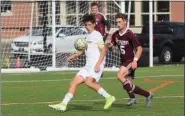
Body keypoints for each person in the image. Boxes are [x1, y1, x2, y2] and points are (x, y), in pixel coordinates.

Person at [48, 14, 115, 112]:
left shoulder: (97, 35)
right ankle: (63, 104)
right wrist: (74, 56)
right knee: (73, 82)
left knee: (88, 82)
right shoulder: (87, 36)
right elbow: (83, 50)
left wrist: (98, 64)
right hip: (88, 65)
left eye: (89, 24)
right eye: (86, 25)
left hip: (96, 64)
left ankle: (109, 97)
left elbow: (103, 50)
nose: (88, 26)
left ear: (93, 24)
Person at [106, 13, 154, 108]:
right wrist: (110, 46)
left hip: (130, 61)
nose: (118, 24)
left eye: (120, 22)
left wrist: (135, 61)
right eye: (116, 22)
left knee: (119, 75)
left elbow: (139, 48)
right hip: (123, 61)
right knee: (128, 86)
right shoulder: (115, 34)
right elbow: (112, 47)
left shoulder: (129, 34)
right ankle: (148, 94)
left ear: (125, 22)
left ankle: (132, 97)